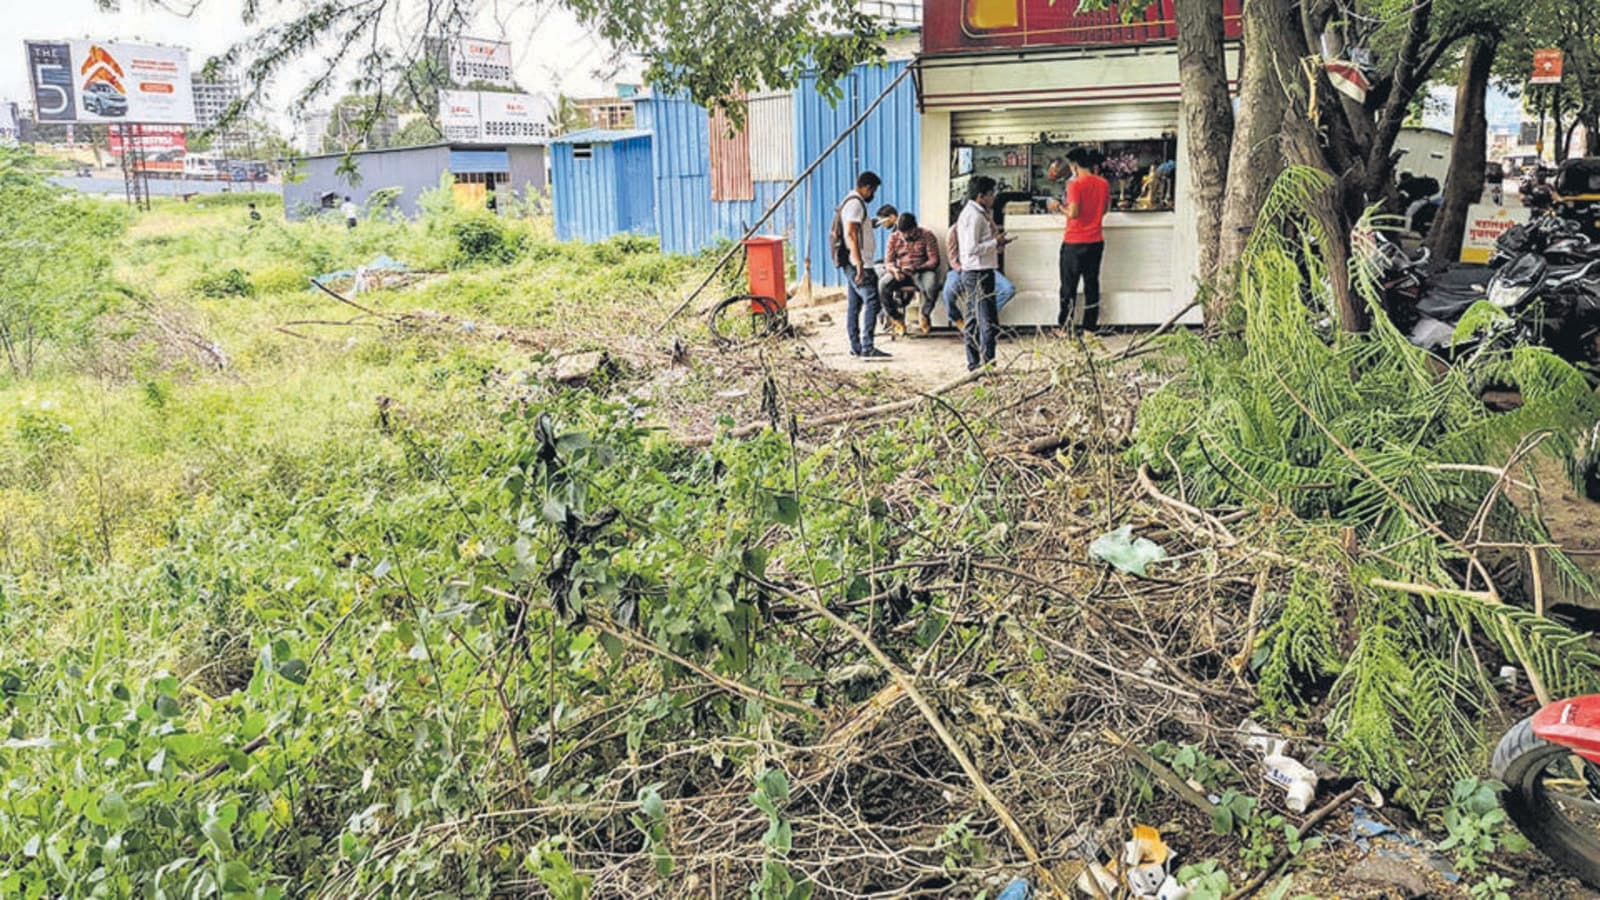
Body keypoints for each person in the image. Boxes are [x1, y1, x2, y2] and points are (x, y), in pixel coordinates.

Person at [956, 176, 1010, 371]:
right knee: (985, 320)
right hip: (977, 272)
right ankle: (985, 363)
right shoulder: (974, 216)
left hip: (980, 270)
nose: (993, 198)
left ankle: (977, 362)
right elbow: (972, 248)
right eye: (990, 194)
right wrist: (995, 243)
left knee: (976, 318)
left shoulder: (979, 213)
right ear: (981, 196)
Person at [837, 171, 891, 360]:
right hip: (860, 263)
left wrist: (878, 222)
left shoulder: (852, 202)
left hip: (854, 262)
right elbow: (851, 234)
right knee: (873, 301)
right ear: (867, 188)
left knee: (855, 304)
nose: (873, 195)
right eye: (873, 190)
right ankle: (867, 346)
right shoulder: (855, 204)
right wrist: (859, 263)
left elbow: (861, 227)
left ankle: (856, 346)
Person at [1058, 146, 1110, 333]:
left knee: (1068, 287)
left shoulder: (1075, 185)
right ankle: (1090, 327)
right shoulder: (1103, 183)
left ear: (1074, 165)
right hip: (1095, 241)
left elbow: (1074, 212)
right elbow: (1105, 210)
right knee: (1091, 285)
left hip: (1074, 242)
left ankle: (1065, 327)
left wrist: (1058, 207)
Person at [877, 213, 941, 334]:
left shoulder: (927, 235)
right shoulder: (894, 237)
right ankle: (896, 317)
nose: (904, 235)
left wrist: (918, 267)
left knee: (932, 286)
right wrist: (895, 270)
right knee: (883, 285)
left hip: (921, 270)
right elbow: (888, 261)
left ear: (914, 228)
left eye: (907, 232)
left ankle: (925, 314)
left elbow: (934, 260)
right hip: (901, 271)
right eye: (902, 232)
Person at [942, 224, 1016, 329]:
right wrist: (965, 273)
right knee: (948, 293)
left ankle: (982, 314)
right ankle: (957, 318)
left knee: (1008, 289)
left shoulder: (986, 228)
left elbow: (997, 251)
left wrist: (1000, 244)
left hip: (984, 267)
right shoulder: (953, 232)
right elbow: (952, 259)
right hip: (960, 269)